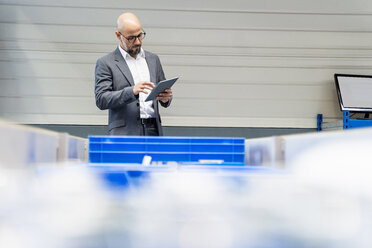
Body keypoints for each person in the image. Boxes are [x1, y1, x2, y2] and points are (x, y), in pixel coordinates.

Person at [95, 12, 172, 136]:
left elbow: (162, 90)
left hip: (153, 130)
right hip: (124, 132)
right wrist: (131, 91)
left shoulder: (153, 59)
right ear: (118, 35)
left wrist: (166, 98)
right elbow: (101, 99)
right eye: (131, 38)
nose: (137, 42)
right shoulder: (106, 63)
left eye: (140, 35)